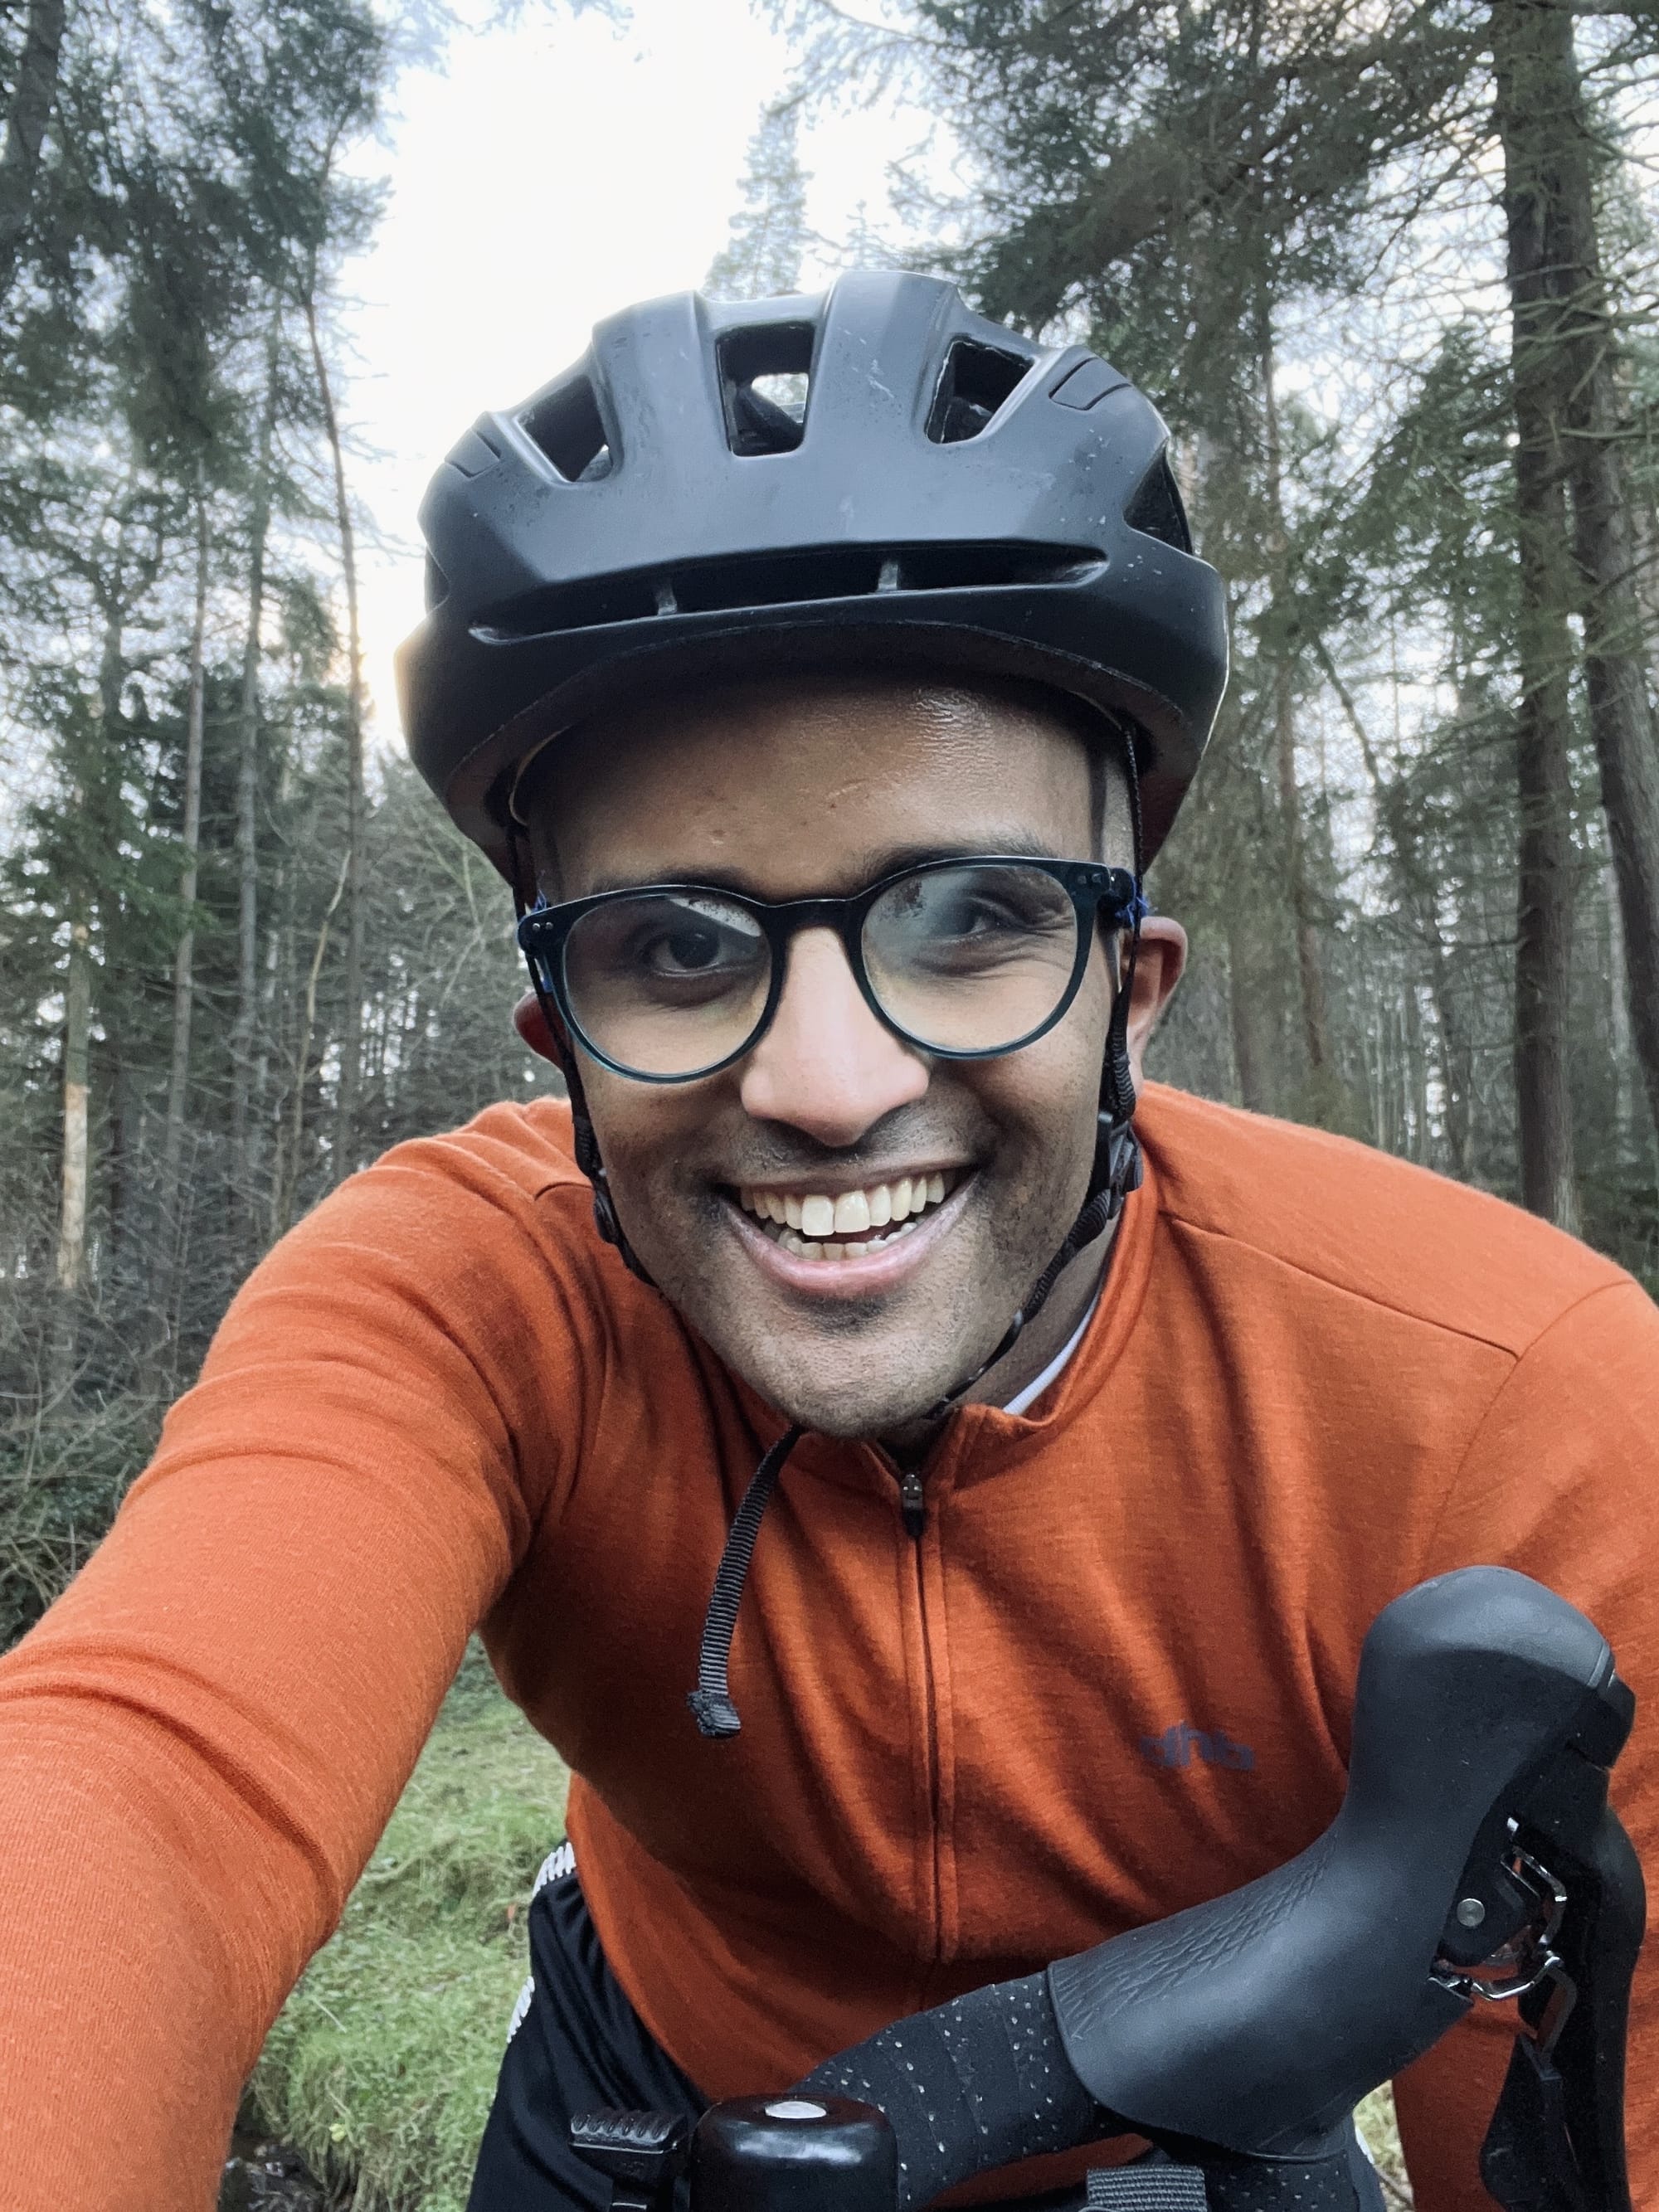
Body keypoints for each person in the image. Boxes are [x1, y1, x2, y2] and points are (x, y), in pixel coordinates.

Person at [0, 272, 1653, 2212]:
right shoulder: (475, 1292)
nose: (823, 1079)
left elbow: (1564, 2082)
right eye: (680, 948)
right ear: (562, 1047)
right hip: (644, 2101)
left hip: (1183, 2148)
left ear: (1129, 991)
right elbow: (135, 1791)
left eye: (968, 913)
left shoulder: (1511, 1398)